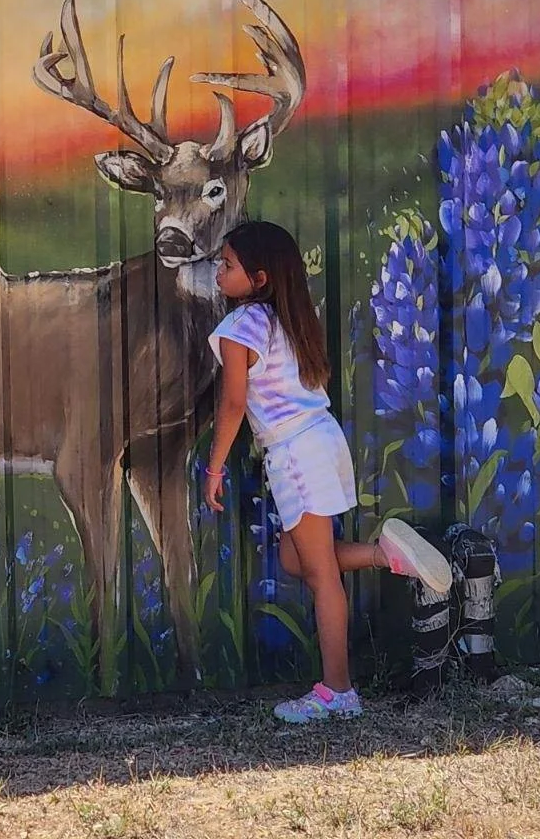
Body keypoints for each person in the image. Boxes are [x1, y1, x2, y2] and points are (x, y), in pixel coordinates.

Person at [204, 220, 452, 724]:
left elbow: (233, 404)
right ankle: (385, 556)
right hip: (321, 442)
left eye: (227, 265)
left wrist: (213, 468)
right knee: (296, 560)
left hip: (295, 453)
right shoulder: (288, 321)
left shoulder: (239, 328)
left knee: (321, 578)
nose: (218, 272)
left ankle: (338, 691)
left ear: (259, 278)